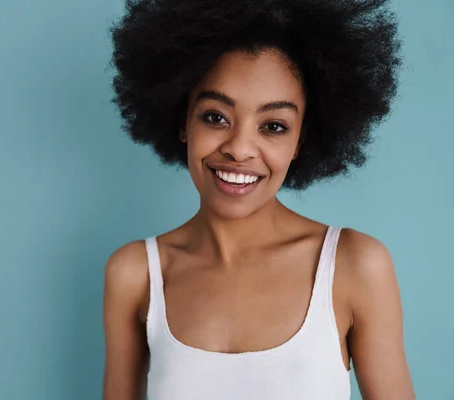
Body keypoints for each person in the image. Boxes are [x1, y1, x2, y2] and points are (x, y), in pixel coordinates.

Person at [102, 0, 415, 398]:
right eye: (215, 117)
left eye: (273, 126)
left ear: (300, 141)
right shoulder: (135, 274)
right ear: (183, 121)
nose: (239, 149)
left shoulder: (353, 265)